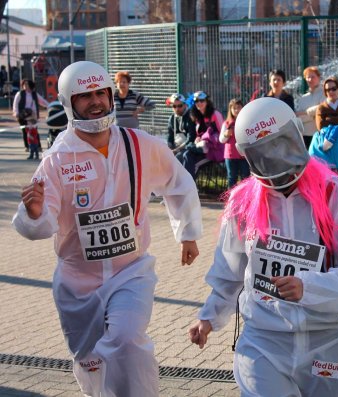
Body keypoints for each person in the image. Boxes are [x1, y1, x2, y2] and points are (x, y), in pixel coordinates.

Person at [12, 61, 203, 397]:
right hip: (77, 283)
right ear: (69, 102)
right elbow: (40, 225)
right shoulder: (57, 159)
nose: (95, 101)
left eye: (101, 92)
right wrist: (34, 212)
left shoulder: (140, 144)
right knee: (91, 363)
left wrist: (187, 233)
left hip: (131, 272)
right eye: (85, 96)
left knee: (127, 340)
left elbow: (179, 182)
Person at [188, 97, 338, 397]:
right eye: (262, 153)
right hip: (263, 341)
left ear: (298, 135)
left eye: (282, 144)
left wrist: (307, 287)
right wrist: (208, 318)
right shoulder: (242, 203)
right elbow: (230, 270)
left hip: (327, 342)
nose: (277, 161)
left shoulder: (333, 193)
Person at [311, 77, 338, 169]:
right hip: (329, 145)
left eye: (334, 89)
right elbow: (320, 127)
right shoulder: (321, 108)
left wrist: (330, 121)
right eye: (328, 90)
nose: (331, 92)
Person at [184, 91, 224, 180]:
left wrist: (210, 140)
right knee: (186, 154)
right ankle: (184, 186)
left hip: (214, 150)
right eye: (196, 101)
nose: (199, 103)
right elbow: (199, 134)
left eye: (201, 100)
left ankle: (190, 187)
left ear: (207, 101)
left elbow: (223, 133)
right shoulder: (196, 116)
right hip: (202, 148)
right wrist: (198, 139)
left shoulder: (215, 114)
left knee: (194, 164)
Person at [219, 98, 249, 188]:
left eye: (239, 107)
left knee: (246, 178)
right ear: (230, 110)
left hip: (244, 155)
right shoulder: (227, 123)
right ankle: (232, 199)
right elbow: (221, 140)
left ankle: (246, 199)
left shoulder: (246, 122)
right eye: (234, 108)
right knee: (232, 178)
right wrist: (226, 134)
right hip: (231, 155)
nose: (236, 110)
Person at [13, 79, 48, 152]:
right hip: (22, 116)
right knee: (25, 131)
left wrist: (50, 106)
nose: (25, 86)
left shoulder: (34, 94)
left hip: (33, 116)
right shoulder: (20, 93)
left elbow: (42, 101)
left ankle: (38, 146)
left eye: (27, 84)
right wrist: (16, 113)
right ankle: (27, 147)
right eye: (24, 84)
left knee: (34, 131)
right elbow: (15, 104)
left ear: (30, 85)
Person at [295, 66, 325, 148]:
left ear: (318, 78)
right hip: (304, 136)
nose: (310, 79)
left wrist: (304, 113)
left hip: (318, 135)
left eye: (313, 77)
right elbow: (297, 117)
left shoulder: (324, 93)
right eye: (308, 77)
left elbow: (322, 109)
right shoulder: (303, 98)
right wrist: (312, 115)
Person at [166, 93, 196, 164]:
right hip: (176, 146)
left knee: (178, 158)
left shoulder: (190, 117)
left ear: (185, 105)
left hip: (188, 147)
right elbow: (170, 137)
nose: (177, 109)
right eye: (174, 106)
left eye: (180, 106)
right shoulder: (172, 118)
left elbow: (191, 138)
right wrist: (169, 149)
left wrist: (176, 150)